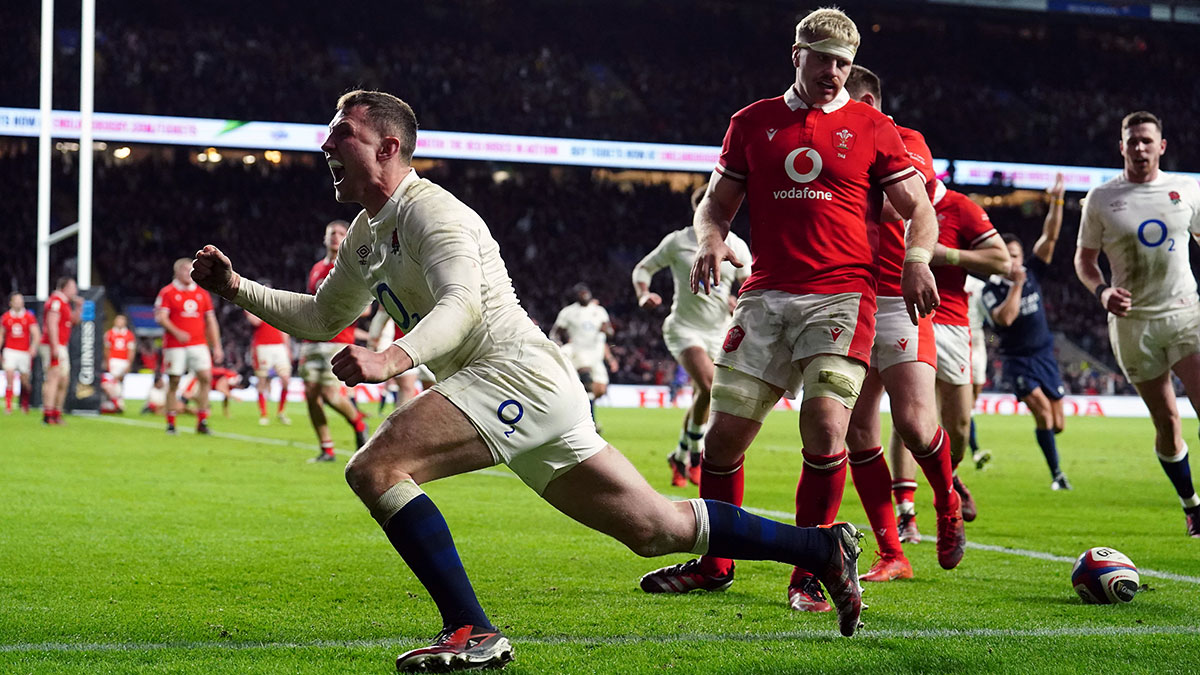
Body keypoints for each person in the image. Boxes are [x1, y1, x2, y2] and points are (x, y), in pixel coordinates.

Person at [191, 89, 867, 672]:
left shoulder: (433, 212)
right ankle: (819, 545)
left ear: (388, 145)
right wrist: (236, 286)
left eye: (343, 133)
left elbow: (462, 305)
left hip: (510, 374)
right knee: (655, 528)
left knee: (377, 467)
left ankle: (471, 628)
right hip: (526, 386)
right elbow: (319, 315)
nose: (326, 144)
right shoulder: (370, 232)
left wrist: (391, 359)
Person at [637, 8, 939, 614]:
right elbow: (715, 206)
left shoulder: (874, 127)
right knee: (721, 443)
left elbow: (920, 208)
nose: (834, 73)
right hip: (767, 296)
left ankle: (809, 571)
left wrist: (917, 259)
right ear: (796, 54)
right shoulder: (751, 123)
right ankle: (716, 563)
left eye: (845, 64)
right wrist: (710, 239)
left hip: (841, 294)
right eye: (824, 59)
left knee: (826, 428)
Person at [834, 65, 976, 583]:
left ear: (867, 98)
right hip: (847, 298)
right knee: (857, 431)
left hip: (897, 299)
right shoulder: (834, 139)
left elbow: (903, 208)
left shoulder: (904, 139)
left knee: (915, 423)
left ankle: (946, 500)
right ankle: (892, 553)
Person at [1074, 111, 1200, 536]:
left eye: (1148, 140)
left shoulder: (1186, 189)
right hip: (1132, 325)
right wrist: (1103, 292)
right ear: (1121, 146)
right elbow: (1084, 260)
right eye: (1133, 141)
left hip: (1185, 312)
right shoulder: (1102, 199)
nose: (1140, 148)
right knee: (1167, 422)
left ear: (1161, 146)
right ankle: (1191, 504)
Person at [632, 185, 751, 488]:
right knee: (710, 386)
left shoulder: (736, 244)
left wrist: (738, 298)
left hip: (720, 330)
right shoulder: (678, 242)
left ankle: (679, 454)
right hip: (684, 327)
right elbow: (643, 268)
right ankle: (697, 457)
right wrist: (644, 293)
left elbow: (749, 282)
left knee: (704, 394)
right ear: (699, 211)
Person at [981, 182, 1070, 491]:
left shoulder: (1032, 270)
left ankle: (1053, 459)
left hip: (1044, 355)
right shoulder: (992, 290)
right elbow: (1005, 318)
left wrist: (1056, 203)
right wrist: (1016, 284)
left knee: (1058, 423)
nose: (1014, 262)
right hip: (1017, 360)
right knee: (1043, 413)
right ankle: (1058, 476)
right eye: (1008, 257)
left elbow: (1050, 237)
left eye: (1017, 256)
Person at [299, 220, 369, 462]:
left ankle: (358, 423)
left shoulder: (353, 267)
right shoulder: (317, 268)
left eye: (341, 233)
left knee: (329, 394)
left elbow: (366, 308)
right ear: (324, 238)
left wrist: (337, 312)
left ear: (348, 237)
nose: (335, 237)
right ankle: (326, 448)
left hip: (338, 338)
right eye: (331, 233)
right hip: (311, 340)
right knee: (310, 395)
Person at [155, 258, 223, 435]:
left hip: (198, 343)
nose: (189, 273)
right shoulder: (167, 292)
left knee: (206, 378)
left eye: (191, 270)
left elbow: (211, 320)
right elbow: (161, 317)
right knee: (174, 381)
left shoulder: (202, 293)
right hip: (174, 345)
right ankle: (171, 423)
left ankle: (202, 421)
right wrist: (176, 332)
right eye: (185, 270)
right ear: (177, 272)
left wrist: (217, 346)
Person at [552, 283, 616, 430]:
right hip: (578, 352)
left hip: (596, 356)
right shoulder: (568, 312)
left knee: (598, 390)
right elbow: (556, 332)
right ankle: (590, 424)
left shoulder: (599, 311)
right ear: (576, 296)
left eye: (585, 292)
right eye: (580, 293)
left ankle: (579, 414)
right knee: (587, 384)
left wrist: (607, 330)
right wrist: (558, 343)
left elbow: (610, 332)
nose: (583, 294)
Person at [39, 277, 81, 425]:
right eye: (73, 287)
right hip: (53, 345)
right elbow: (52, 323)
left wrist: (79, 308)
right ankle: (48, 414)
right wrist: (55, 345)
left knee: (63, 380)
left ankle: (56, 412)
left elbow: (74, 322)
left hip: (61, 344)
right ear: (65, 287)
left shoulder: (65, 303)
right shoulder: (56, 301)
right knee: (53, 378)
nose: (75, 290)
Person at [246, 299, 293, 425]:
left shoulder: (278, 310)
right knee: (262, 381)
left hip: (279, 347)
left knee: (286, 380)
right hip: (262, 347)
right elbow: (255, 321)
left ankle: (281, 412)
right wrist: (262, 309)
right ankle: (263, 414)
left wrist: (287, 348)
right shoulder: (252, 308)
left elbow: (284, 329)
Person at [964, 274, 991, 470]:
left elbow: (991, 316)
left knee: (970, 403)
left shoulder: (980, 286)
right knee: (960, 402)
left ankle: (971, 447)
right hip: (952, 337)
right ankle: (974, 450)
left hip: (977, 342)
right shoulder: (943, 277)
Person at [2, 292, 40, 414]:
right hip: (10, 350)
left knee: (25, 381)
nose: (19, 302)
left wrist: (33, 347)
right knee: (9, 376)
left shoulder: (28, 316)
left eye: (20, 300)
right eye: (16, 300)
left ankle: (25, 404)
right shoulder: (6, 317)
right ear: (11, 303)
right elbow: (1, 335)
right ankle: (9, 407)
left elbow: (36, 334)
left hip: (24, 352)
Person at [102, 313, 136, 413]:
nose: (120, 322)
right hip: (113, 360)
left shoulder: (129, 335)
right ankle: (116, 402)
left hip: (124, 361)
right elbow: (106, 349)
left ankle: (117, 401)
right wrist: (107, 361)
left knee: (121, 381)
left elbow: (131, 351)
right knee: (113, 381)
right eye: (118, 320)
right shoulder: (109, 333)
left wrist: (129, 363)